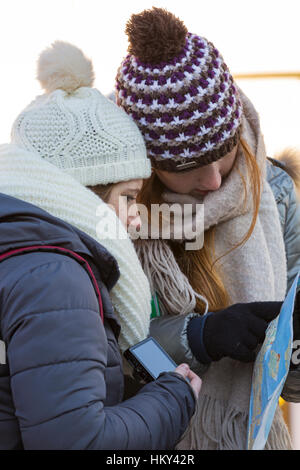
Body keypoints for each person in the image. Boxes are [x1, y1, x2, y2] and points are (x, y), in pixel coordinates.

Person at [0, 41, 202, 450]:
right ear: (80, 192)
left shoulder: (23, 256)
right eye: (128, 197)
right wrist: (174, 397)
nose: (135, 216)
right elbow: (78, 442)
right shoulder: (54, 278)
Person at [115, 7, 299, 449]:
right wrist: (198, 336)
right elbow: (108, 348)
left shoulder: (274, 192)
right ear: (149, 165)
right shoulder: (119, 210)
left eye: (227, 151)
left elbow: (293, 383)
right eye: (188, 167)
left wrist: (292, 349)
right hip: (157, 437)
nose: (215, 181)